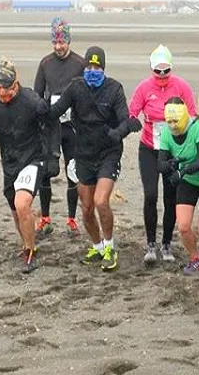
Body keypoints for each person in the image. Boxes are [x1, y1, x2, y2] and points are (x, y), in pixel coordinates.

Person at [49, 46, 139, 272]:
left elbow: (125, 120)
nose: (92, 70)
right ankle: (97, 247)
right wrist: (36, 109)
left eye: (97, 67)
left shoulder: (114, 89)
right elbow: (56, 110)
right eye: (89, 66)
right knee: (87, 207)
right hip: (83, 153)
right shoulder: (76, 87)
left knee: (101, 201)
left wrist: (119, 132)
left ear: (103, 68)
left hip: (108, 152)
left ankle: (110, 247)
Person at [0, 60, 55, 273]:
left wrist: (53, 155)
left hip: (33, 158)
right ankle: (27, 241)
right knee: (17, 212)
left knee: (22, 203)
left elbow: (52, 125)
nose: (3, 94)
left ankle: (30, 253)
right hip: (10, 162)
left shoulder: (31, 100)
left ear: (16, 84)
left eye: (7, 89)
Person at [129, 45, 197, 265]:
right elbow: (132, 112)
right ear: (151, 68)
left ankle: (167, 243)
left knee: (171, 197)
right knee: (150, 195)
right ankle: (151, 244)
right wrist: (131, 122)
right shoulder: (143, 88)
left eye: (165, 70)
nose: (161, 76)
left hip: (172, 150)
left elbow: (194, 114)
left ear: (171, 68)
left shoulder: (181, 86)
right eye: (157, 71)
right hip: (149, 148)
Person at [157, 97, 199, 274]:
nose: (172, 126)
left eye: (176, 121)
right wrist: (171, 165)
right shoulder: (166, 133)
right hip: (188, 181)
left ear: (185, 117)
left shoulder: (198, 128)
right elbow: (161, 163)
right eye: (169, 122)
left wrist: (183, 170)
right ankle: (196, 258)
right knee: (183, 227)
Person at [33, 17, 84, 238]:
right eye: (55, 42)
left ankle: (72, 219)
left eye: (62, 42)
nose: (58, 47)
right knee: (46, 171)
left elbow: (86, 94)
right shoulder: (45, 64)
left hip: (72, 127)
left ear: (69, 41)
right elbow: (36, 95)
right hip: (50, 127)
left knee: (72, 170)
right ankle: (45, 218)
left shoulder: (80, 64)